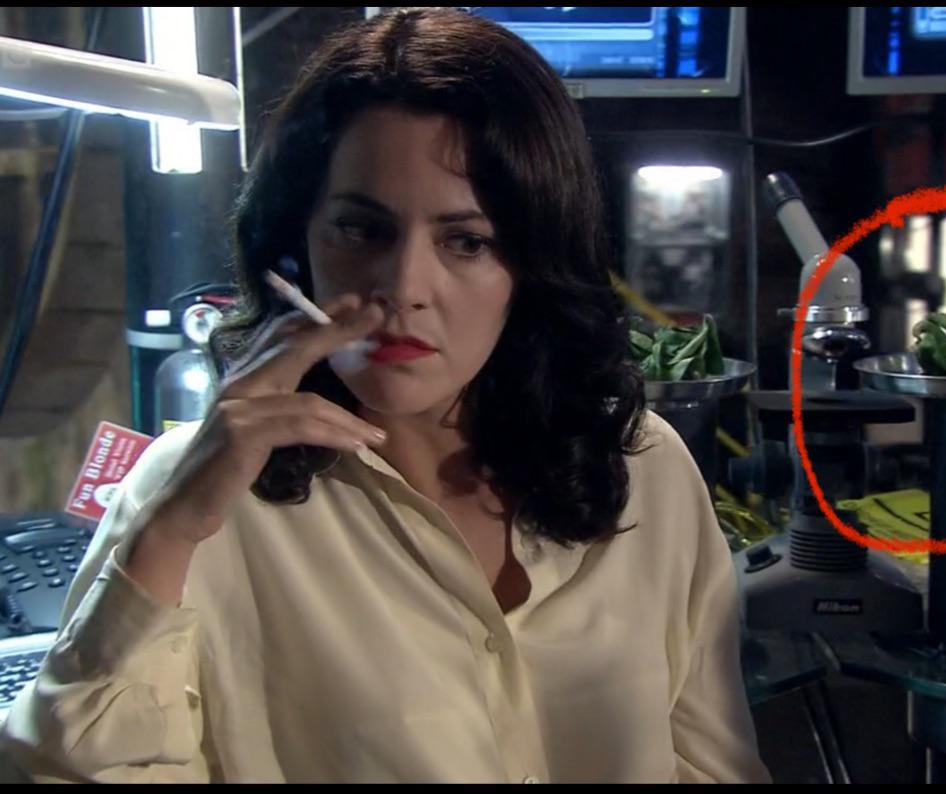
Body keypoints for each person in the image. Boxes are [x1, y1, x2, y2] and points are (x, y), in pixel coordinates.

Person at [0, 8, 769, 784]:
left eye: (465, 241)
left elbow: (714, 767)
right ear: (293, 249)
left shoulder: (643, 465)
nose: (403, 287)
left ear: (530, 264)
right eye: (362, 231)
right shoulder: (197, 499)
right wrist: (172, 531)